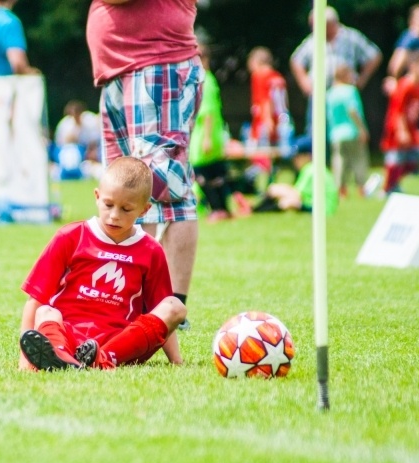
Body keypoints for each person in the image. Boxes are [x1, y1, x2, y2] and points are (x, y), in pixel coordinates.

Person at [86, 0, 202, 330]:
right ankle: (134, 302)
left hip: (156, 63)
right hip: (122, 69)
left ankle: (170, 308)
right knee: (125, 185)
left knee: (165, 188)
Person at [17, 157, 187, 371]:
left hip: (122, 342)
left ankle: (101, 358)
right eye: (108, 205)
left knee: (175, 307)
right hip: (67, 333)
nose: (114, 216)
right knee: (46, 312)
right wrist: (25, 360)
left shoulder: (151, 250)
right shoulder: (70, 236)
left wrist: (176, 361)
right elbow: (35, 299)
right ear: (97, 197)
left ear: (144, 210)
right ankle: (60, 355)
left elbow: (159, 314)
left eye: (126, 209)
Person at [290, 6, 382, 135]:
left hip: (343, 92)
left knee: (345, 132)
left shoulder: (351, 37)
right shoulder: (313, 40)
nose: (313, 29)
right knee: (316, 133)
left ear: (330, 23)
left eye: (316, 26)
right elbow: (296, 60)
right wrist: (304, 82)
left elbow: (374, 55)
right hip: (319, 93)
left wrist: (362, 79)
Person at [189, 44, 240, 221]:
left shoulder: (205, 81)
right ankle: (223, 208)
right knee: (216, 172)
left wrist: (208, 138)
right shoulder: (207, 79)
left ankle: (218, 208)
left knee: (201, 172)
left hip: (205, 135)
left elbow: (208, 111)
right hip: (207, 134)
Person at [385, 3, 419, 143]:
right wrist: (394, 80)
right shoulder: (411, 38)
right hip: (414, 92)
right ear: (413, 20)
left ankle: (416, 155)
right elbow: (396, 63)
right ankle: (415, 155)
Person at [380, 50, 419, 194]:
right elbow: (398, 111)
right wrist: (402, 131)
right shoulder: (405, 86)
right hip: (397, 128)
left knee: (417, 153)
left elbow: (415, 111)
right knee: (395, 159)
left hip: (411, 128)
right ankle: (387, 188)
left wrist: (416, 130)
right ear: (413, 66)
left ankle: (395, 183)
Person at [250, 137, 338, 216]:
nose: (294, 160)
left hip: (322, 209)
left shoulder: (310, 170)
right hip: (319, 206)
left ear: (307, 156)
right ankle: (254, 209)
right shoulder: (314, 168)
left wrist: (277, 191)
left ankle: (255, 210)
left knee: (285, 201)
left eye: (297, 157)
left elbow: (297, 194)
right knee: (279, 193)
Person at [326, 65, 370, 198]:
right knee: (358, 160)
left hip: (336, 134)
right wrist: (362, 129)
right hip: (352, 131)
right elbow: (352, 110)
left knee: (339, 162)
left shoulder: (330, 93)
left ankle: (341, 191)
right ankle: (361, 189)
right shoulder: (350, 91)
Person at [247, 47, 289, 147]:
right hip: (281, 121)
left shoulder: (259, 75)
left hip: (264, 121)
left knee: (262, 155)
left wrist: (267, 120)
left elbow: (265, 99)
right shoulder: (278, 77)